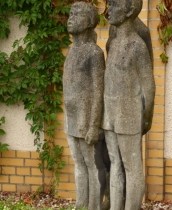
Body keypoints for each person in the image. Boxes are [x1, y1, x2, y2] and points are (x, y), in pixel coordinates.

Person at [102, 0, 155, 209]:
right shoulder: (113, 43)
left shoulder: (137, 45)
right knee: (115, 164)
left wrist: (147, 116)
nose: (110, 9)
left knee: (132, 166)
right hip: (111, 112)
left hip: (130, 112)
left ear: (130, 10)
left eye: (115, 5)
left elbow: (148, 86)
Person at [63, 2, 106, 210]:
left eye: (77, 14)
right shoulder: (71, 51)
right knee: (78, 164)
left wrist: (93, 124)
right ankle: (81, 205)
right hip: (71, 118)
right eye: (71, 13)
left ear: (90, 21)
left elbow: (99, 90)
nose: (71, 17)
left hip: (86, 119)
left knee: (92, 165)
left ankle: (94, 206)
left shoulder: (94, 53)